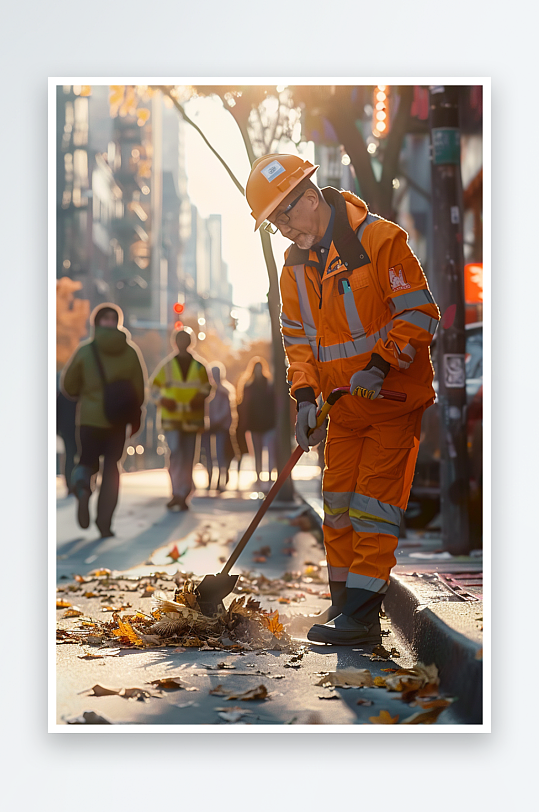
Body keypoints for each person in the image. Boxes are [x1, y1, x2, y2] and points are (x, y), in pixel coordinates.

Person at [245, 154, 440, 645]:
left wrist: (379, 364)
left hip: (392, 401)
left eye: (284, 217)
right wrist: (305, 400)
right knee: (338, 505)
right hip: (343, 410)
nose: (283, 230)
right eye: (274, 225)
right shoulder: (294, 271)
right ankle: (343, 604)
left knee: (373, 506)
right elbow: (298, 343)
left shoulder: (380, 240)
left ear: (309, 198)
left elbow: (420, 314)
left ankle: (363, 618)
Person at [61, 304, 146, 538]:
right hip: (117, 422)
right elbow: (140, 390)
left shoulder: (85, 351)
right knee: (112, 469)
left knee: (86, 461)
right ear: (117, 322)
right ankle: (105, 522)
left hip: (89, 419)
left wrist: (88, 395)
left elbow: (68, 385)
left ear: (95, 323)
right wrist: (135, 414)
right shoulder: (130, 352)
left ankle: (82, 486)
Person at [151, 328, 211, 511]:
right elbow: (153, 388)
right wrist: (161, 400)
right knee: (176, 455)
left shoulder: (200, 367)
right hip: (173, 420)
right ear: (175, 343)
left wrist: (200, 398)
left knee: (188, 458)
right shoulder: (166, 366)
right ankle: (178, 492)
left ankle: (183, 493)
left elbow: (207, 388)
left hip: (192, 420)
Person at [236, 357, 276, 491]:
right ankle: (258, 476)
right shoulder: (249, 386)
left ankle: (270, 475)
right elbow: (243, 406)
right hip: (254, 425)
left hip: (269, 425)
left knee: (270, 452)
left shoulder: (269, 386)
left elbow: (275, 405)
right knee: (257, 453)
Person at [201, 362, 237, 491]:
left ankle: (221, 480)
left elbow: (226, 411)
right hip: (208, 427)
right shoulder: (206, 390)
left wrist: (216, 420)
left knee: (220, 454)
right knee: (208, 456)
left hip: (220, 427)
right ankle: (210, 479)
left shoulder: (224, 392)